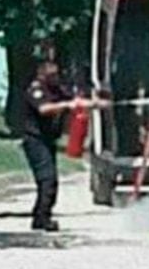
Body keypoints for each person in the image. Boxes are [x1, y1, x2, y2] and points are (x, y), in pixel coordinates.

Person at [22, 54, 105, 231]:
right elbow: (44, 109)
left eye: (57, 75)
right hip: (35, 141)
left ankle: (40, 217)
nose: (56, 78)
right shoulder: (36, 90)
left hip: (47, 140)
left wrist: (97, 104)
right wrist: (67, 106)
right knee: (47, 179)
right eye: (52, 75)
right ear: (42, 75)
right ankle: (42, 218)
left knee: (50, 181)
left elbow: (75, 101)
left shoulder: (56, 90)